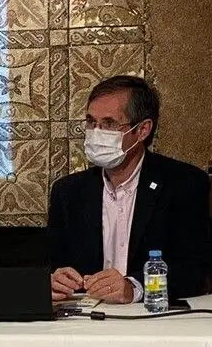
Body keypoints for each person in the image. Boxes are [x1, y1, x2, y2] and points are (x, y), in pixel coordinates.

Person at [49, 75, 211, 303]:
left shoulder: (184, 183)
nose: (96, 132)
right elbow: (51, 264)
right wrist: (54, 279)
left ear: (143, 130)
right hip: (85, 315)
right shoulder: (67, 191)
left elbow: (196, 271)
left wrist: (135, 287)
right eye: (91, 122)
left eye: (109, 124)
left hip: (154, 316)